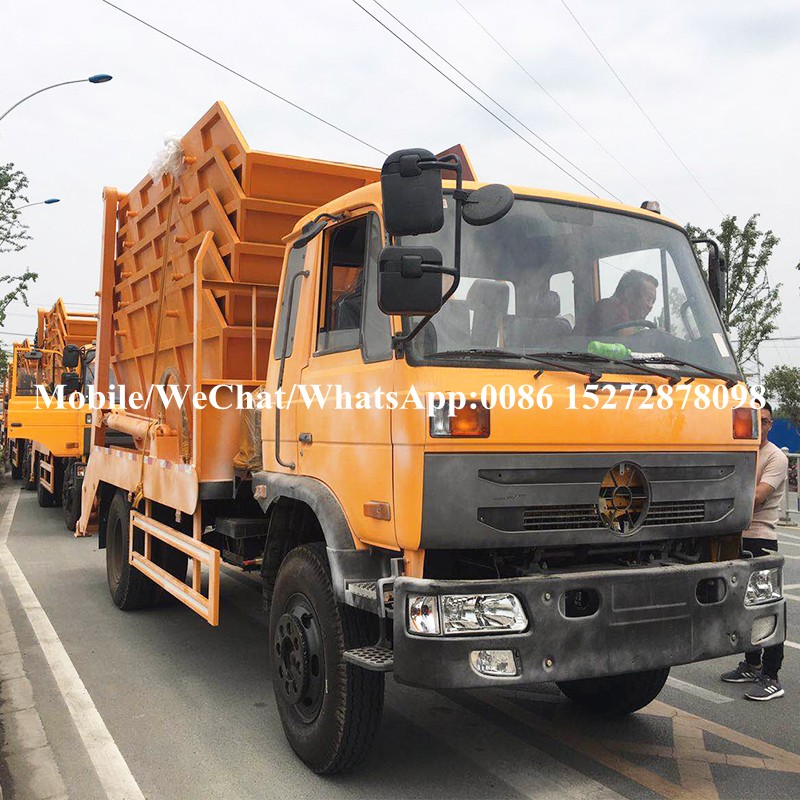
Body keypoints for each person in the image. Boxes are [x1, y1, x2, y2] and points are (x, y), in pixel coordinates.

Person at [720, 401, 787, 700]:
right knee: (743, 607)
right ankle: (750, 663)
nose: (762, 425)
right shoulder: (741, 453)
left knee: (767, 608)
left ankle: (772, 676)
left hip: (760, 538)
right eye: (756, 420)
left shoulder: (775, 457)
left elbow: (756, 498)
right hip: (735, 537)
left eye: (767, 420)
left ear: (771, 425)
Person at [584, 270, 658, 335]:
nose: (650, 306)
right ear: (629, 294)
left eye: (653, 302)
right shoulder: (613, 309)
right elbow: (627, 341)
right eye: (648, 299)